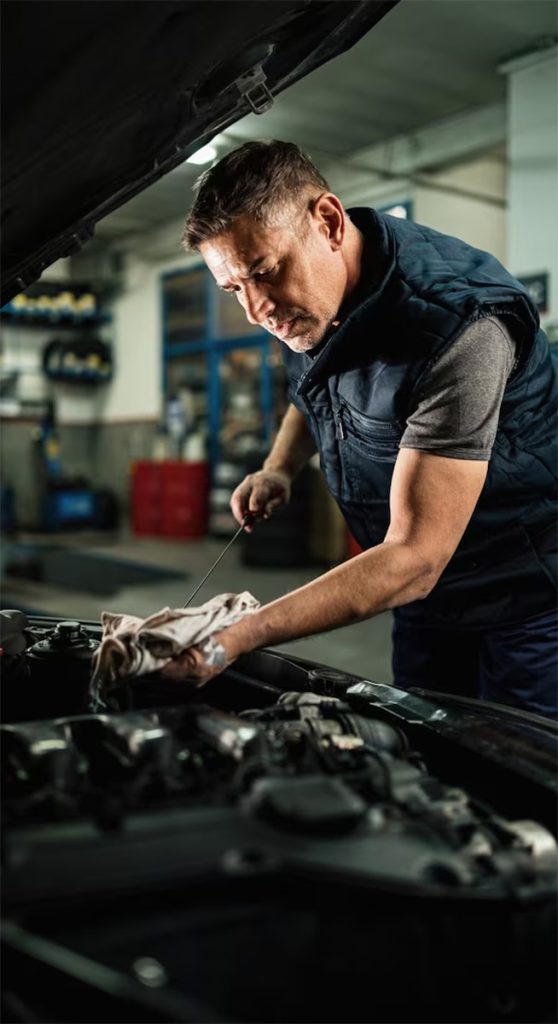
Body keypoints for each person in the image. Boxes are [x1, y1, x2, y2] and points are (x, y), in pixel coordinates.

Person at [163, 140, 557, 718]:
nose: (256, 310)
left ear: (327, 221)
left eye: (264, 272)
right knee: (424, 748)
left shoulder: (458, 329)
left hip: (525, 599)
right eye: (233, 289)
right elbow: (314, 387)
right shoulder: (310, 301)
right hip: (426, 602)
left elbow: (415, 557)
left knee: (517, 771)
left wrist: (238, 635)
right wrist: (279, 467)